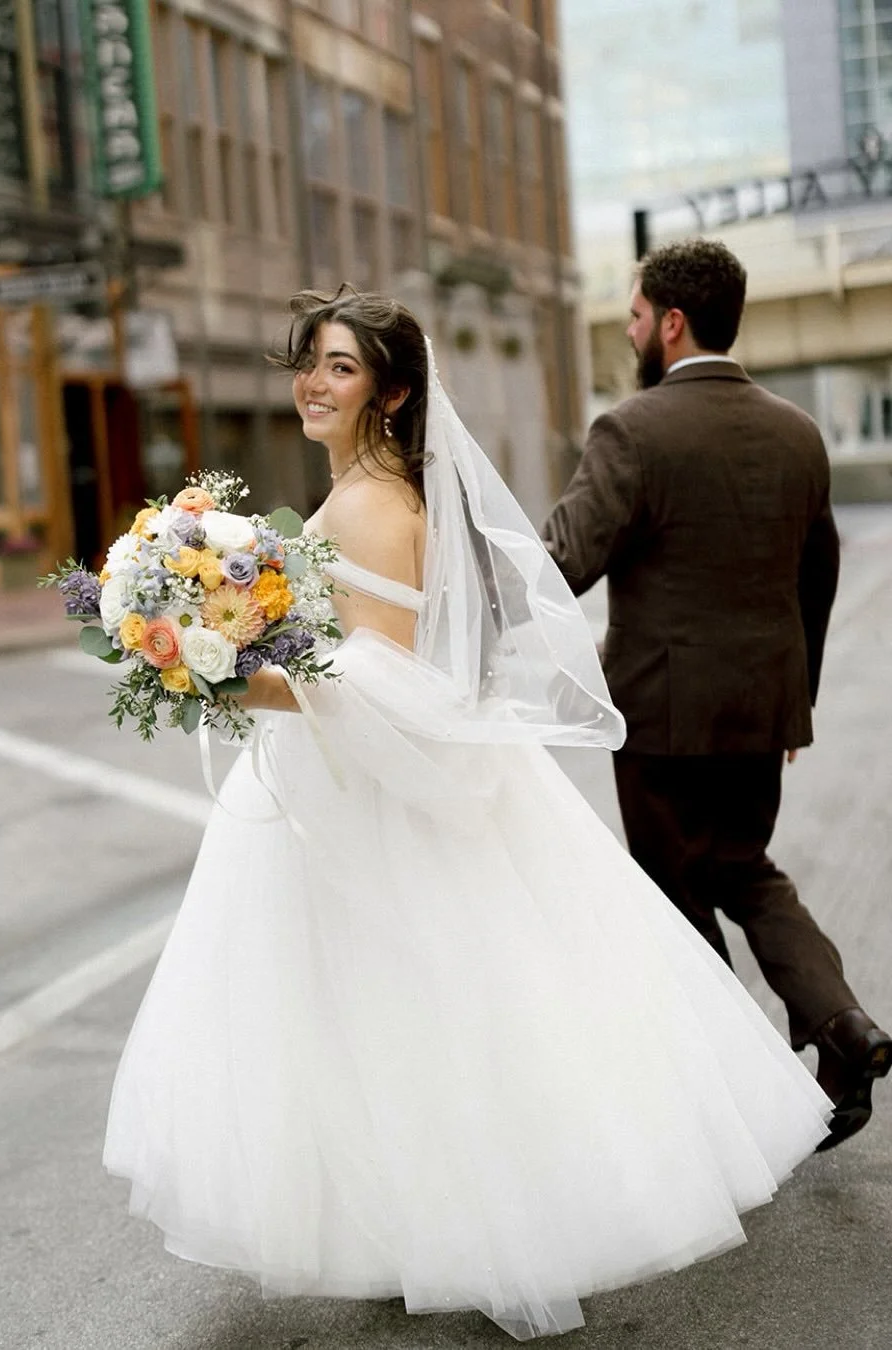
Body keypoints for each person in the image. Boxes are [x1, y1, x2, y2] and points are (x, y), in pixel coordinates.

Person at [104, 287, 832, 1343]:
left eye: (341, 366)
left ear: (392, 392)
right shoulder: (389, 488)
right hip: (370, 787)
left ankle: (454, 1225)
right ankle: (418, 1220)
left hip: (370, 797)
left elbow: (375, 681)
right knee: (408, 1010)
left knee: (407, 1013)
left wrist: (215, 676)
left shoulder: (365, 504)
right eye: (308, 359)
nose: (313, 380)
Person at [542, 238, 891, 1153]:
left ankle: (736, 1090)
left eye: (630, 316)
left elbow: (563, 562)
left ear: (670, 320)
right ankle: (843, 1026)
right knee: (745, 871)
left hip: (661, 717)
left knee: (675, 893)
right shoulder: (795, 432)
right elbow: (819, 574)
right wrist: (795, 701)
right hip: (761, 709)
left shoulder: (633, 430)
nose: (626, 331)